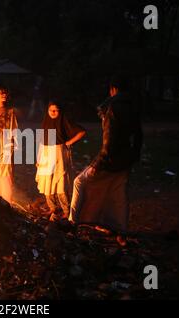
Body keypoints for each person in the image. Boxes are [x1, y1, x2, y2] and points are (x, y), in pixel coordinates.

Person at [69, 75, 142, 245]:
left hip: (110, 160)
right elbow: (139, 134)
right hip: (126, 158)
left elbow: (110, 140)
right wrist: (134, 155)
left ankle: (73, 221)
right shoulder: (133, 106)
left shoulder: (112, 108)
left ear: (113, 89)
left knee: (80, 182)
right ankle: (119, 229)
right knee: (118, 192)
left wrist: (98, 163)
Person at [36, 101, 86, 221]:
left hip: (59, 154)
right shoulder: (46, 122)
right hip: (46, 154)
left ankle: (66, 210)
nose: (53, 112)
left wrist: (68, 142)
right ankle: (52, 207)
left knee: (60, 184)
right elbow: (42, 140)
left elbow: (81, 132)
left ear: (60, 111)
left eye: (56, 110)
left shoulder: (64, 122)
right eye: (51, 110)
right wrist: (38, 158)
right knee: (47, 182)